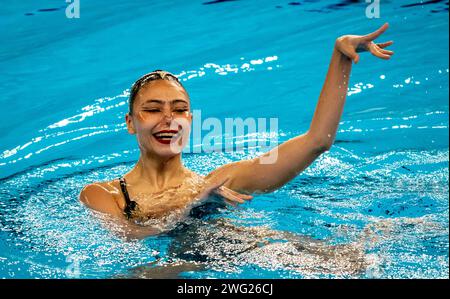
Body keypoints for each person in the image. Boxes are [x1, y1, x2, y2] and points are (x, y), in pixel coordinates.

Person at [80, 23, 394, 236]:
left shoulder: (221, 181)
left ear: (190, 120)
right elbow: (129, 238)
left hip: (259, 254)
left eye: (179, 110)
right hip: (183, 271)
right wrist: (193, 210)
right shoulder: (103, 195)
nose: (168, 119)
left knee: (356, 259)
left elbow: (317, 141)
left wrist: (341, 57)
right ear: (131, 123)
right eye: (152, 110)